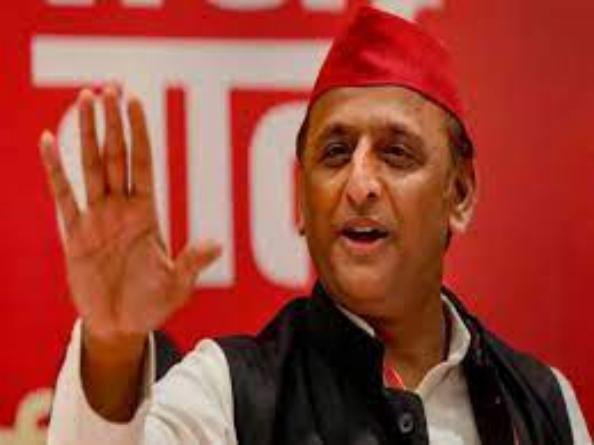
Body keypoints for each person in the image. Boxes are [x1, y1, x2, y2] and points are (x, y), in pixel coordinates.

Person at [42, 6, 591, 445]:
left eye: (396, 153)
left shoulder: (541, 405)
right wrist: (111, 345)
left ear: (461, 194)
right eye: (335, 153)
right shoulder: (227, 395)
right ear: (301, 202)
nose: (359, 184)